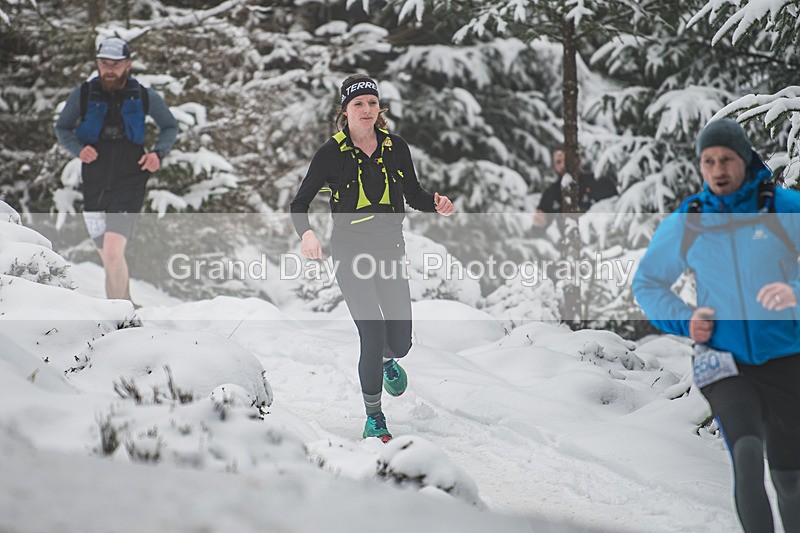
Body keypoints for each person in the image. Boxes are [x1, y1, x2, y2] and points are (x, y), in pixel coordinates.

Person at [633, 118, 800, 533]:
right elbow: (648, 282)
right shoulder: (689, 220)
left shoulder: (783, 208)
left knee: (790, 479)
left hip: (788, 358)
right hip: (722, 360)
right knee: (745, 455)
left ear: (744, 159)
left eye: (726, 158)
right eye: (708, 161)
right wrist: (685, 318)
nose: (718, 169)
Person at [290, 74, 454, 442]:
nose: (366, 110)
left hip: (390, 248)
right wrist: (307, 233)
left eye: (372, 103)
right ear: (345, 110)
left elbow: (413, 193)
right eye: (358, 104)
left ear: (379, 108)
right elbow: (299, 202)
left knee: (400, 342)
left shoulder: (396, 147)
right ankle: (374, 417)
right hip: (350, 249)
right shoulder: (330, 153)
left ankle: (385, 360)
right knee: (372, 330)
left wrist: (436, 203)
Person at [55, 37, 178, 302]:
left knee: (112, 250)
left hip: (130, 177)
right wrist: (78, 149)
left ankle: (119, 313)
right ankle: (126, 307)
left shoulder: (143, 95)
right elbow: (62, 128)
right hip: (94, 179)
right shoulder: (84, 93)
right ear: (97, 63)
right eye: (104, 63)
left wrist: (158, 153)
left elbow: (169, 126)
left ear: (128, 65)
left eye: (116, 64)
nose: (109, 69)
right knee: (108, 254)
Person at [532, 145, 617, 229]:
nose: (563, 165)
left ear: (579, 161)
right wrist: (539, 224)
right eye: (558, 162)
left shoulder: (599, 183)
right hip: (568, 240)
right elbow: (537, 230)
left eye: (567, 160)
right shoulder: (551, 193)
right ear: (554, 167)